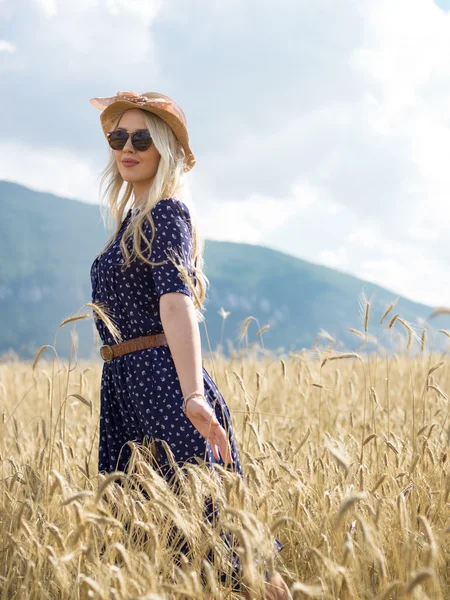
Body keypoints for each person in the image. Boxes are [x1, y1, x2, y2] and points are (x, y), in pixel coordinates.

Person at [88, 90, 292, 599]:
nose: (127, 147)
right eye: (119, 137)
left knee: (213, 537)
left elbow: (175, 304)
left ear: (165, 150)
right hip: (123, 389)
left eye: (142, 137)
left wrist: (192, 392)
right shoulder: (128, 225)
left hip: (161, 384)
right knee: (146, 539)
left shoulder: (168, 213)